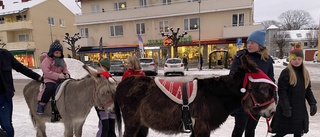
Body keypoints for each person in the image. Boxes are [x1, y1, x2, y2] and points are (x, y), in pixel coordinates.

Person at [230, 29, 275, 137]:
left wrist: (273, 99)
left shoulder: (267, 60)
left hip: (258, 101)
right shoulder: (240, 57)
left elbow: (270, 81)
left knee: (250, 130)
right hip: (243, 100)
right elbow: (232, 77)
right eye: (248, 43)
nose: (249, 45)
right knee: (238, 129)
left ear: (260, 45)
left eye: (252, 43)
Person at [270, 49, 317, 137]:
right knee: (281, 133)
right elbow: (282, 92)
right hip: (287, 109)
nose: (297, 61)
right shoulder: (286, 72)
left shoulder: (305, 73)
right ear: (290, 60)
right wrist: (286, 108)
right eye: (294, 59)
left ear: (302, 60)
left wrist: (312, 103)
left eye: (299, 59)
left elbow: (308, 90)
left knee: (298, 132)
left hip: (300, 110)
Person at [0, 48, 42, 137]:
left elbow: (20, 68)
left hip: (4, 96)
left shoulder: (5, 54)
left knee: (6, 124)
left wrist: (38, 77)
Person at [37, 40, 70, 115]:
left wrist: (67, 74)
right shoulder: (46, 60)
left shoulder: (62, 61)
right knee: (49, 88)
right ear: (52, 52)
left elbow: (65, 69)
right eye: (56, 53)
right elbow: (46, 72)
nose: (58, 54)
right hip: (49, 79)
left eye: (59, 53)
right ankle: (41, 104)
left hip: (61, 79)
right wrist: (58, 75)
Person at [95, 58, 116, 137]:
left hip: (111, 105)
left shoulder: (110, 78)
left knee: (111, 127)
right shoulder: (98, 77)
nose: (99, 69)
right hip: (101, 106)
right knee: (105, 126)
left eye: (101, 67)